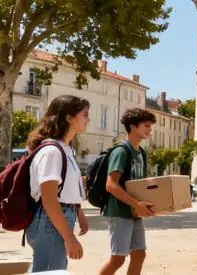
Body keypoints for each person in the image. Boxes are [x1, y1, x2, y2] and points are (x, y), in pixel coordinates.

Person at [23, 95, 90, 272]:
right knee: (49, 270)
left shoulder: (66, 149)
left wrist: (78, 212)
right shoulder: (52, 151)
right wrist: (69, 238)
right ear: (69, 118)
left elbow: (66, 189)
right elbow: (49, 199)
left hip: (55, 218)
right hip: (49, 220)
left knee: (46, 269)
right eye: (84, 115)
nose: (88, 119)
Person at [99, 108, 156, 275]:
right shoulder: (121, 151)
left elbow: (141, 185)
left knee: (139, 254)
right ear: (133, 127)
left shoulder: (142, 153)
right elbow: (111, 185)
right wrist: (136, 204)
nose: (149, 129)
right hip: (119, 212)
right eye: (146, 125)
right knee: (118, 258)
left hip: (135, 212)